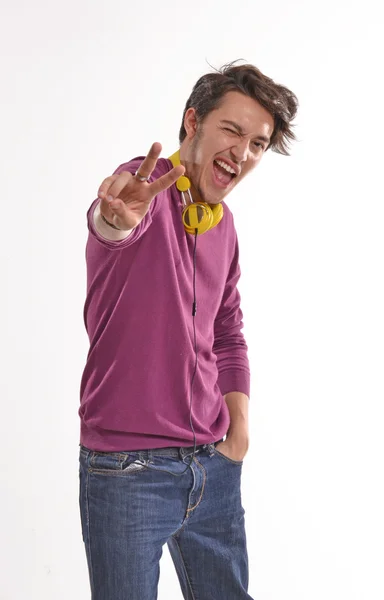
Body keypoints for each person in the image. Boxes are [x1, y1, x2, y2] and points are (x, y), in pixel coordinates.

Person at [78, 61, 298, 600]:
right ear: (193, 122)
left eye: (258, 143)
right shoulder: (142, 191)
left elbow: (228, 330)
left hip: (214, 467)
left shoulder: (224, 228)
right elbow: (113, 220)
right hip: (128, 472)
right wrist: (115, 218)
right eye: (232, 130)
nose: (243, 152)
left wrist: (238, 427)